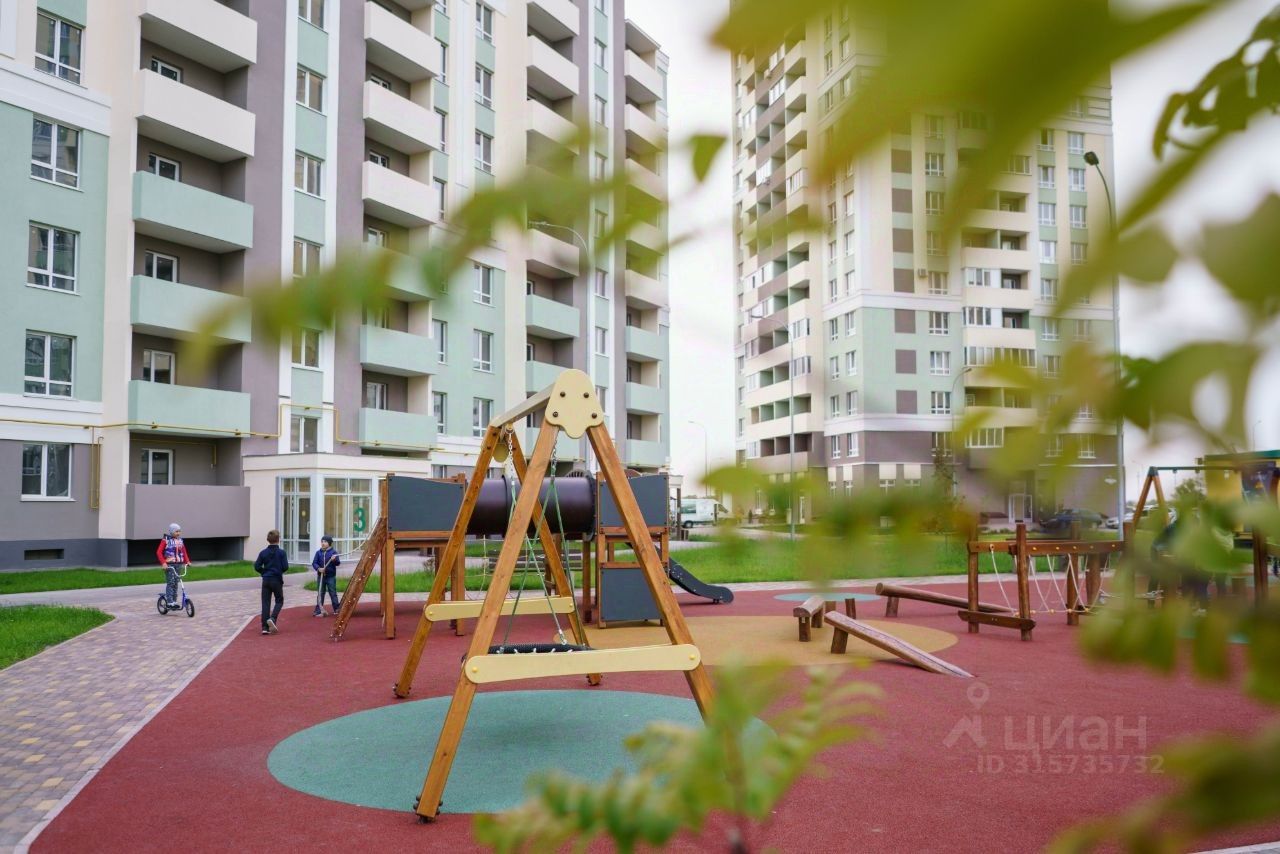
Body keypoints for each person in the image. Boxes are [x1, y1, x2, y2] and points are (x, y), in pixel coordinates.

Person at [254, 529, 289, 635]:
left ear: (268, 539)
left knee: (265, 603)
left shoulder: (263, 553)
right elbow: (285, 567)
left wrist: (264, 572)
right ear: (278, 539)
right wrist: (278, 571)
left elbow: (257, 566)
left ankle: (264, 627)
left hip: (266, 580)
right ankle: (272, 618)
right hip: (276, 579)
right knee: (279, 600)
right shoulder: (282, 553)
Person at [156, 522, 190, 608]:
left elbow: (184, 552)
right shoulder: (166, 540)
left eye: (179, 531)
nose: (178, 533)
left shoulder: (180, 541)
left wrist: (187, 561)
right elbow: (159, 552)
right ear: (171, 531)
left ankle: (174, 601)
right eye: (176, 531)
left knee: (176, 583)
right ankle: (170, 602)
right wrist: (163, 563)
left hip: (178, 564)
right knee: (170, 582)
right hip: (170, 565)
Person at [311, 535, 341, 617]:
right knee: (320, 593)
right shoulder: (318, 553)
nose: (323, 543)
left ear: (329, 543)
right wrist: (318, 568)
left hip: (330, 576)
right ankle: (318, 610)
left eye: (325, 542)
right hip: (321, 576)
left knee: (332, 593)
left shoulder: (333, 552)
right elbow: (314, 563)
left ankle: (336, 609)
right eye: (322, 541)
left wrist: (334, 560)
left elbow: (338, 563)